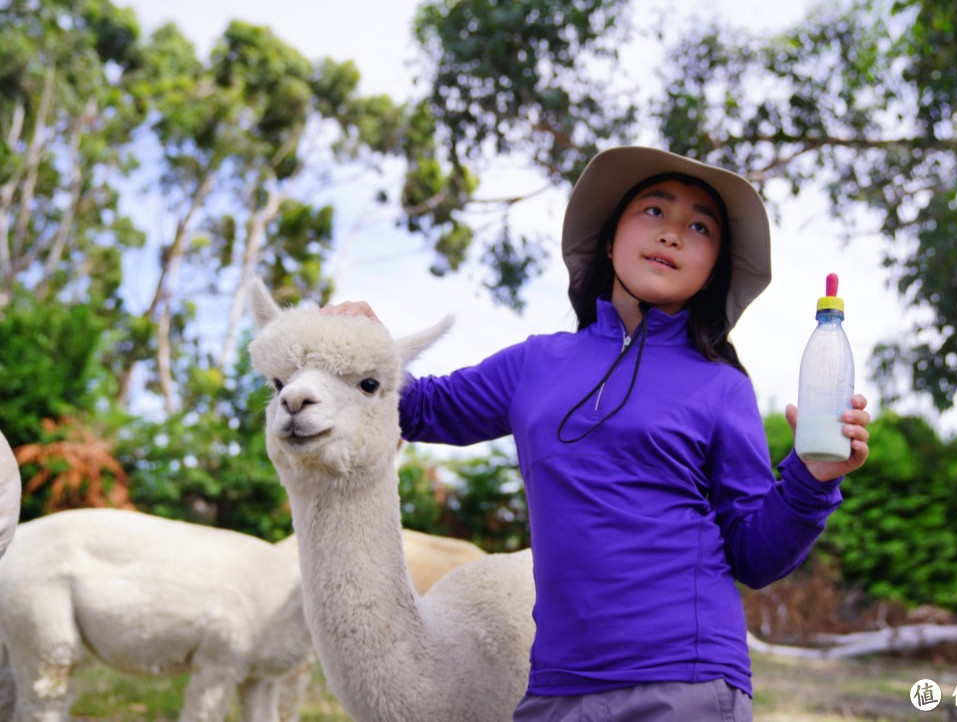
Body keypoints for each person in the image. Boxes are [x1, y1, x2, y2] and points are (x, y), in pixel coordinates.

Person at [323, 146, 871, 720]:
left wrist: (812, 480)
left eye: (700, 226)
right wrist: (365, 346)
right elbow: (418, 407)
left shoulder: (721, 387)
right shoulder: (533, 365)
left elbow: (756, 557)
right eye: (653, 211)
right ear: (610, 241)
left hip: (685, 682)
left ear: (713, 271)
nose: (672, 234)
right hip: (555, 689)